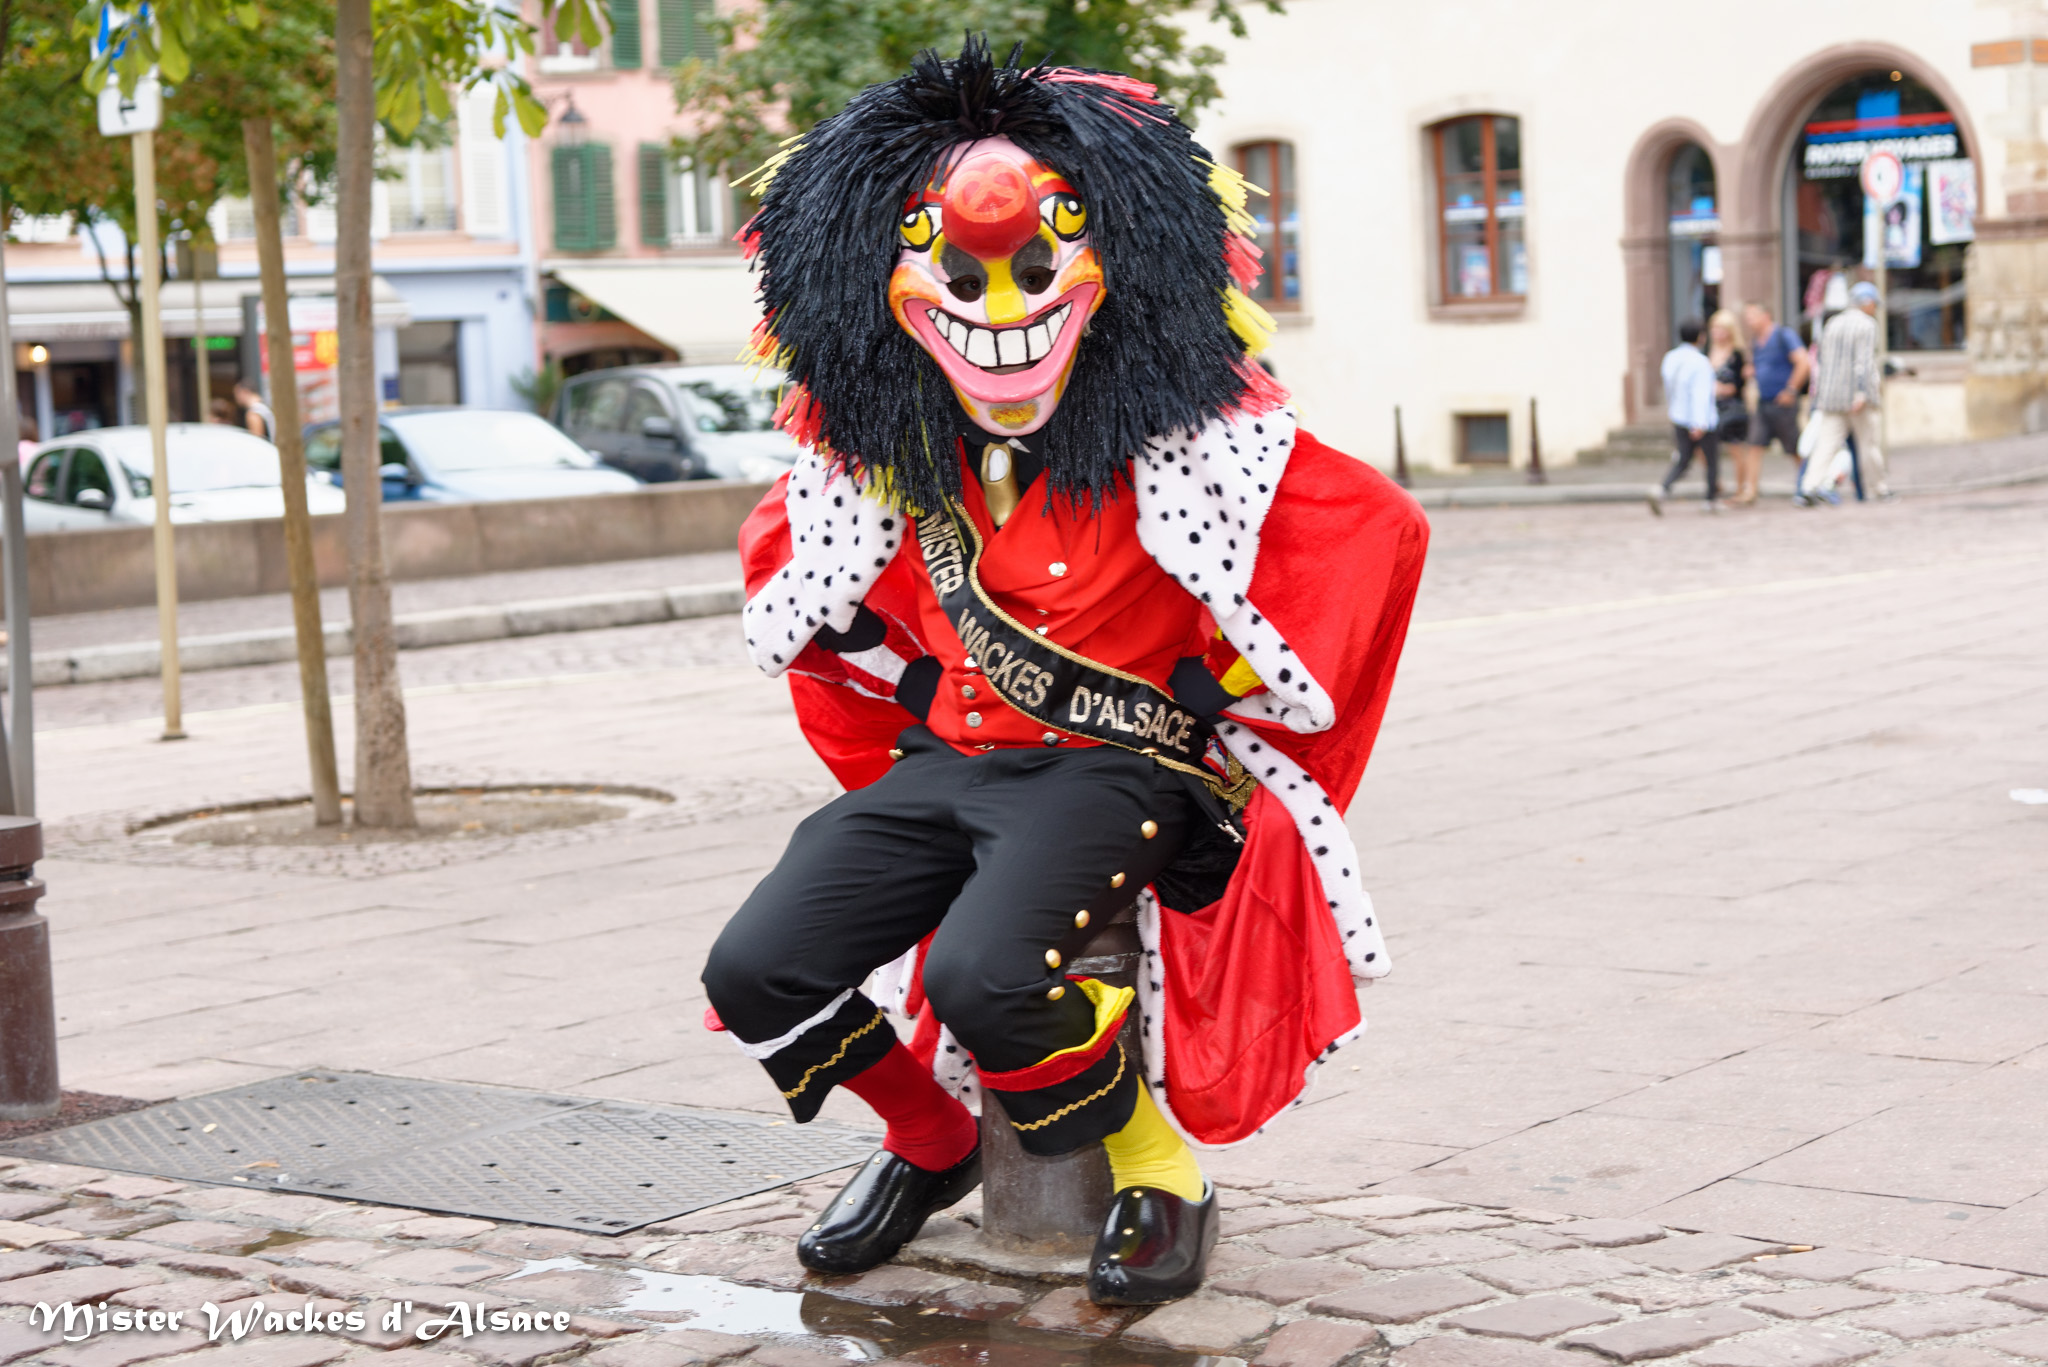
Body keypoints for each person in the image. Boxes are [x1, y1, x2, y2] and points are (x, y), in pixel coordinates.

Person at [701, 38, 1428, 1308]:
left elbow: (1376, 529)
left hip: (1111, 767)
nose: (998, 304)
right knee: (754, 966)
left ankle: (1162, 1170)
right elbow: (810, 609)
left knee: (988, 973)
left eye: (1030, 265)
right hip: (949, 766)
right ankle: (929, 1143)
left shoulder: (1194, 456)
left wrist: (1238, 689)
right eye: (954, 270)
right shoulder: (879, 472)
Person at [1799, 281, 1890, 505]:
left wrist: (1821, 393)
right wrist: (1862, 392)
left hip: (1830, 395)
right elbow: (1863, 361)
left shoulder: (1832, 323)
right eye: (1873, 304)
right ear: (1867, 303)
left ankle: (1809, 487)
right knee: (1869, 445)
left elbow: (1822, 361)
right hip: (1856, 396)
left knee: (1826, 445)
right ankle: (1879, 488)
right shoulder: (1867, 325)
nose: (1875, 309)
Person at [1649, 318, 1720, 514]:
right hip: (1700, 419)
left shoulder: (1671, 358)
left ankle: (1663, 489)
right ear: (1700, 337)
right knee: (1711, 460)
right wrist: (1699, 423)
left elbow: (1669, 387)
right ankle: (1710, 499)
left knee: (1683, 458)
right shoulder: (1700, 362)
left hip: (1679, 415)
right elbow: (1701, 394)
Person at [1743, 300, 1810, 477]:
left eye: (1752, 317)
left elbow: (1803, 362)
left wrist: (1791, 390)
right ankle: (1750, 491)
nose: (1749, 321)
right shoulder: (1756, 342)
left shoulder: (1783, 335)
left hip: (1783, 402)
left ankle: (1808, 482)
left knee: (1793, 447)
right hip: (1763, 401)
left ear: (1766, 316)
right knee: (1754, 445)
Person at [1706, 308, 1756, 505]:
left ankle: (1740, 488)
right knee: (1703, 447)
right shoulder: (1707, 351)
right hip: (1711, 408)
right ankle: (1716, 482)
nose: (1717, 332)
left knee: (1736, 450)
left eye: (1721, 328)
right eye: (1715, 328)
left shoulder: (1736, 354)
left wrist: (1723, 388)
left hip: (1732, 408)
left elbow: (1739, 385)